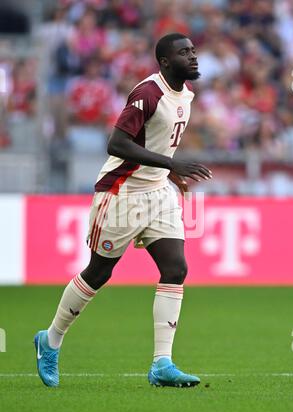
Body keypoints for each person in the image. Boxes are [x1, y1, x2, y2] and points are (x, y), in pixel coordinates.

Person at [34, 33, 212, 388]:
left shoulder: (186, 93)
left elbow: (157, 142)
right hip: (121, 192)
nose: (193, 57)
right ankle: (50, 340)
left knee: (176, 268)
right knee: (99, 273)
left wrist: (169, 172)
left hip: (158, 191)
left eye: (193, 51)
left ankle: (162, 363)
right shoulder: (148, 93)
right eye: (183, 53)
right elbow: (116, 143)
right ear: (164, 62)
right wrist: (168, 163)